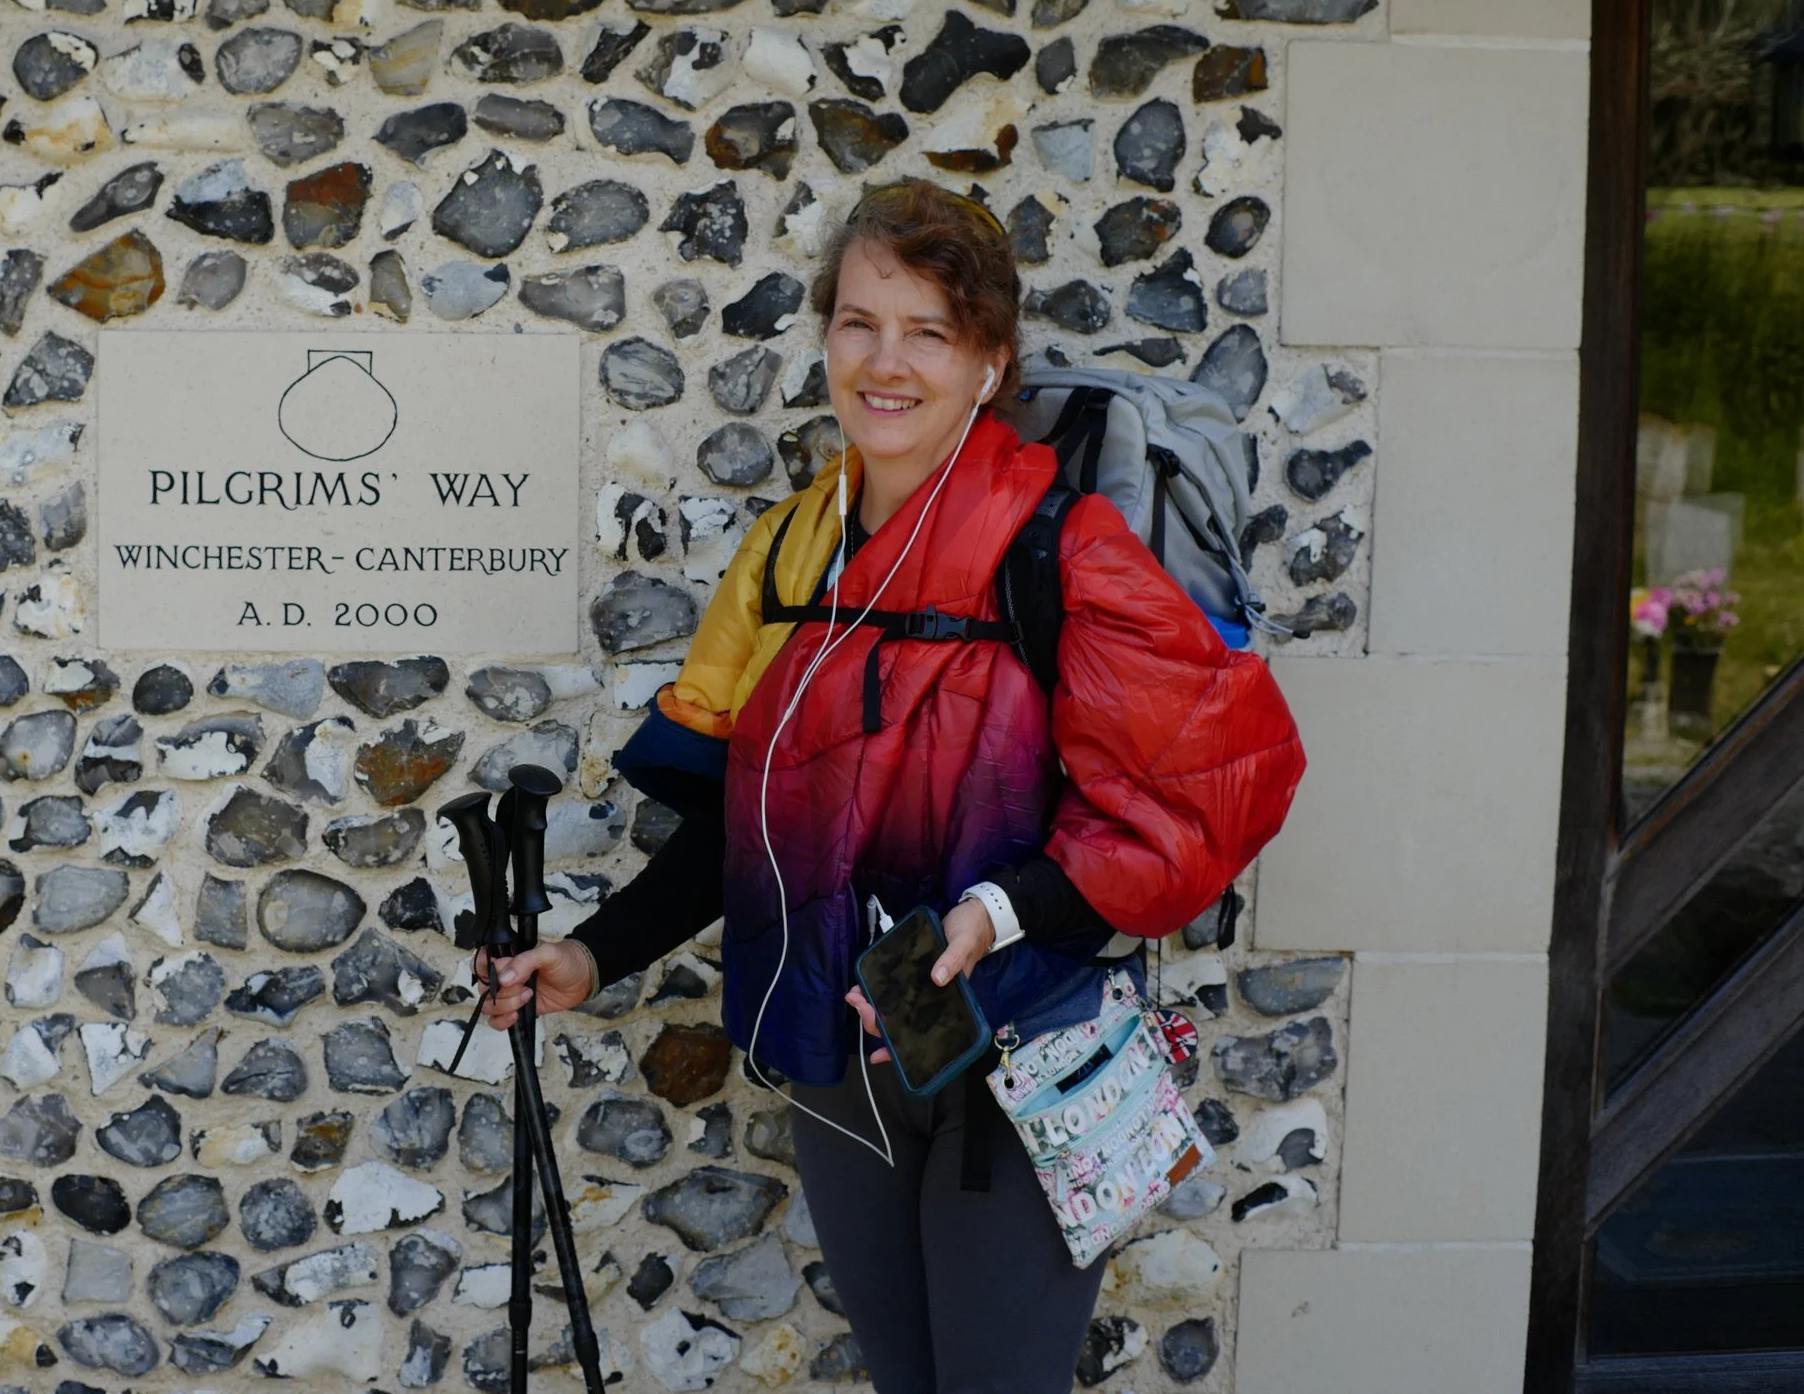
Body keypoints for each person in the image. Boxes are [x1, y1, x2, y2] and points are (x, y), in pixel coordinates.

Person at [481, 178, 1305, 1394]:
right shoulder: (788, 555)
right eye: (860, 322)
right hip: (841, 1060)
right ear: (826, 337)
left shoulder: (1063, 549)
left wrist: (1001, 910)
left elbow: (1211, 793)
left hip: (1021, 1063)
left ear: (988, 362)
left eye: (929, 331)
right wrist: (595, 953)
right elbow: (753, 822)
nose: (886, 361)